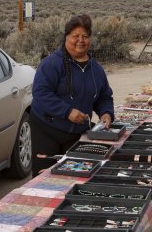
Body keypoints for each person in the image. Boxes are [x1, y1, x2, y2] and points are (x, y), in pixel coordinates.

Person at [30, 14, 114, 177]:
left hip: (77, 132)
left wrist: (106, 113)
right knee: (45, 177)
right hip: (47, 130)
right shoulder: (52, 64)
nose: (80, 40)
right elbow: (41, 93)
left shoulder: (95, 68)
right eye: (75, 36)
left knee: (75, 175)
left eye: (85, 36)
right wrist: (67, 112)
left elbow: (104, 96)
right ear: (66, 37)